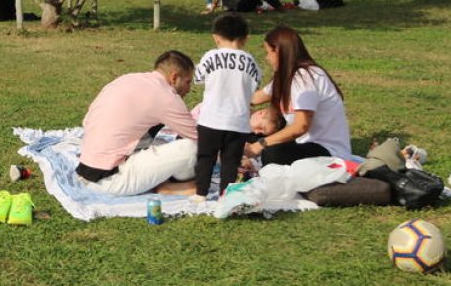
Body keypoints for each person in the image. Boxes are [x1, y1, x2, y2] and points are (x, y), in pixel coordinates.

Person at [76, 51, 199, 196]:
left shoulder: (127, 79)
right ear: (174, 77)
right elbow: (200, 137)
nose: (189, 89)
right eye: (187, 82)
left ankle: (164, 183)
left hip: (86, 169)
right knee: (190, 149)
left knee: (161, 139)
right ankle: (171, 187)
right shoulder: (166, 96)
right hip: (110, 180)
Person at [245, 26, 351, 165]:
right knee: (238, 137)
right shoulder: (285, 77)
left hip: (327, 151)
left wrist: (260, 145)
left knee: (272, 153)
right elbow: (255, 98)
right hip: (301, 144)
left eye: (269, 52)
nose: (267, 58)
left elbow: (301, 126)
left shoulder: (305, 77)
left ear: (279, 51)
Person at [192, 14, 261, 200]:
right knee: (231, 162)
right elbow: (255, 86)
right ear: (245, 38)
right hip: (238, 122)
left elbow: (197, 78)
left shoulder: (210, 56)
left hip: (210, 119)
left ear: (216, 37)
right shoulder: (251, 61)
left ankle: (200, 193)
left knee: (206, 158)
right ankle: (226, 196)